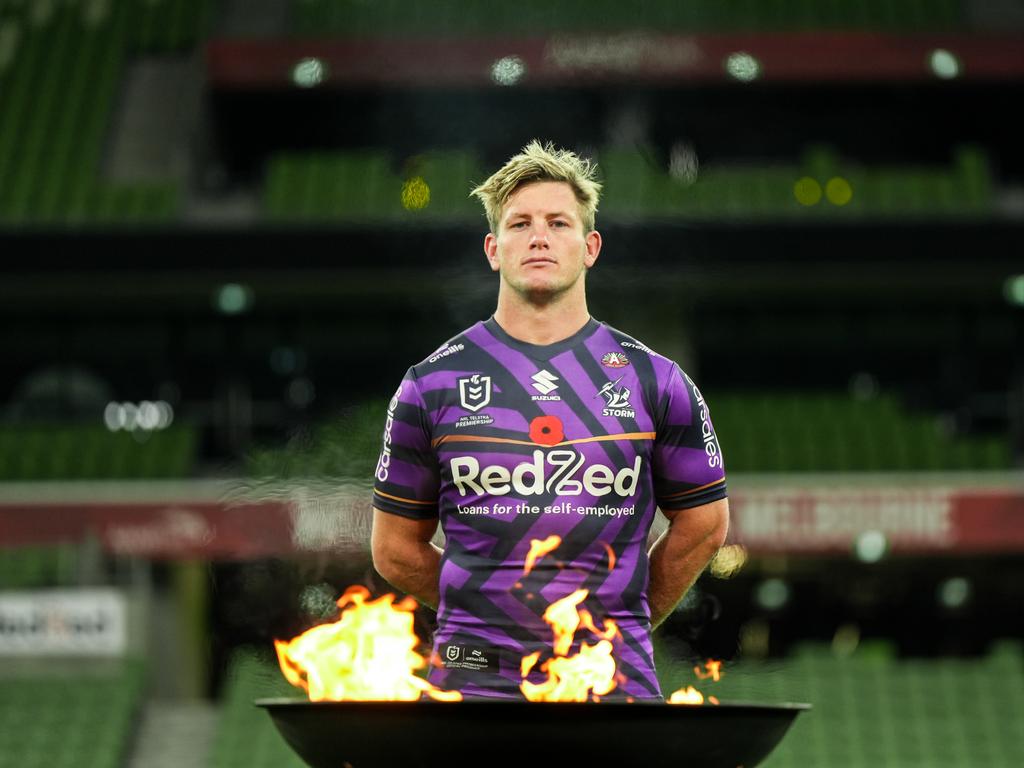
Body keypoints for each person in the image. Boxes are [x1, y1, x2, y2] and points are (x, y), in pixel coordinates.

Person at [370, 140, 729, 700]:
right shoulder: (430, 383)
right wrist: (486, 617)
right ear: (493, 248)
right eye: (520, 224)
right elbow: (393, 549)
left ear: (590, 247)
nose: (539, 236)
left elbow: (705, 526)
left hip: (611, 679)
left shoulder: (656, 380)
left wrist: (625, 619)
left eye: (558, 222)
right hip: (473, 679)